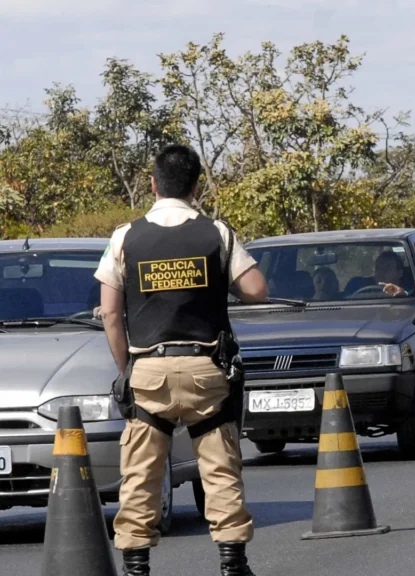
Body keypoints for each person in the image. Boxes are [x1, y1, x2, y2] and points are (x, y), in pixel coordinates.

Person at [95, 144, 269, 575]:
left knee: (140, 476)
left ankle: (136, 568)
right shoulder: (216, 233)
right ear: (195, 187)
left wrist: (126, 371)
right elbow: (257, 290)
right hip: (205, 369)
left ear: (153, 185)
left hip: (149, 370)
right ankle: (232, 564)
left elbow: (111, 314)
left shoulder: (125, 237)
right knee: (220, 470)